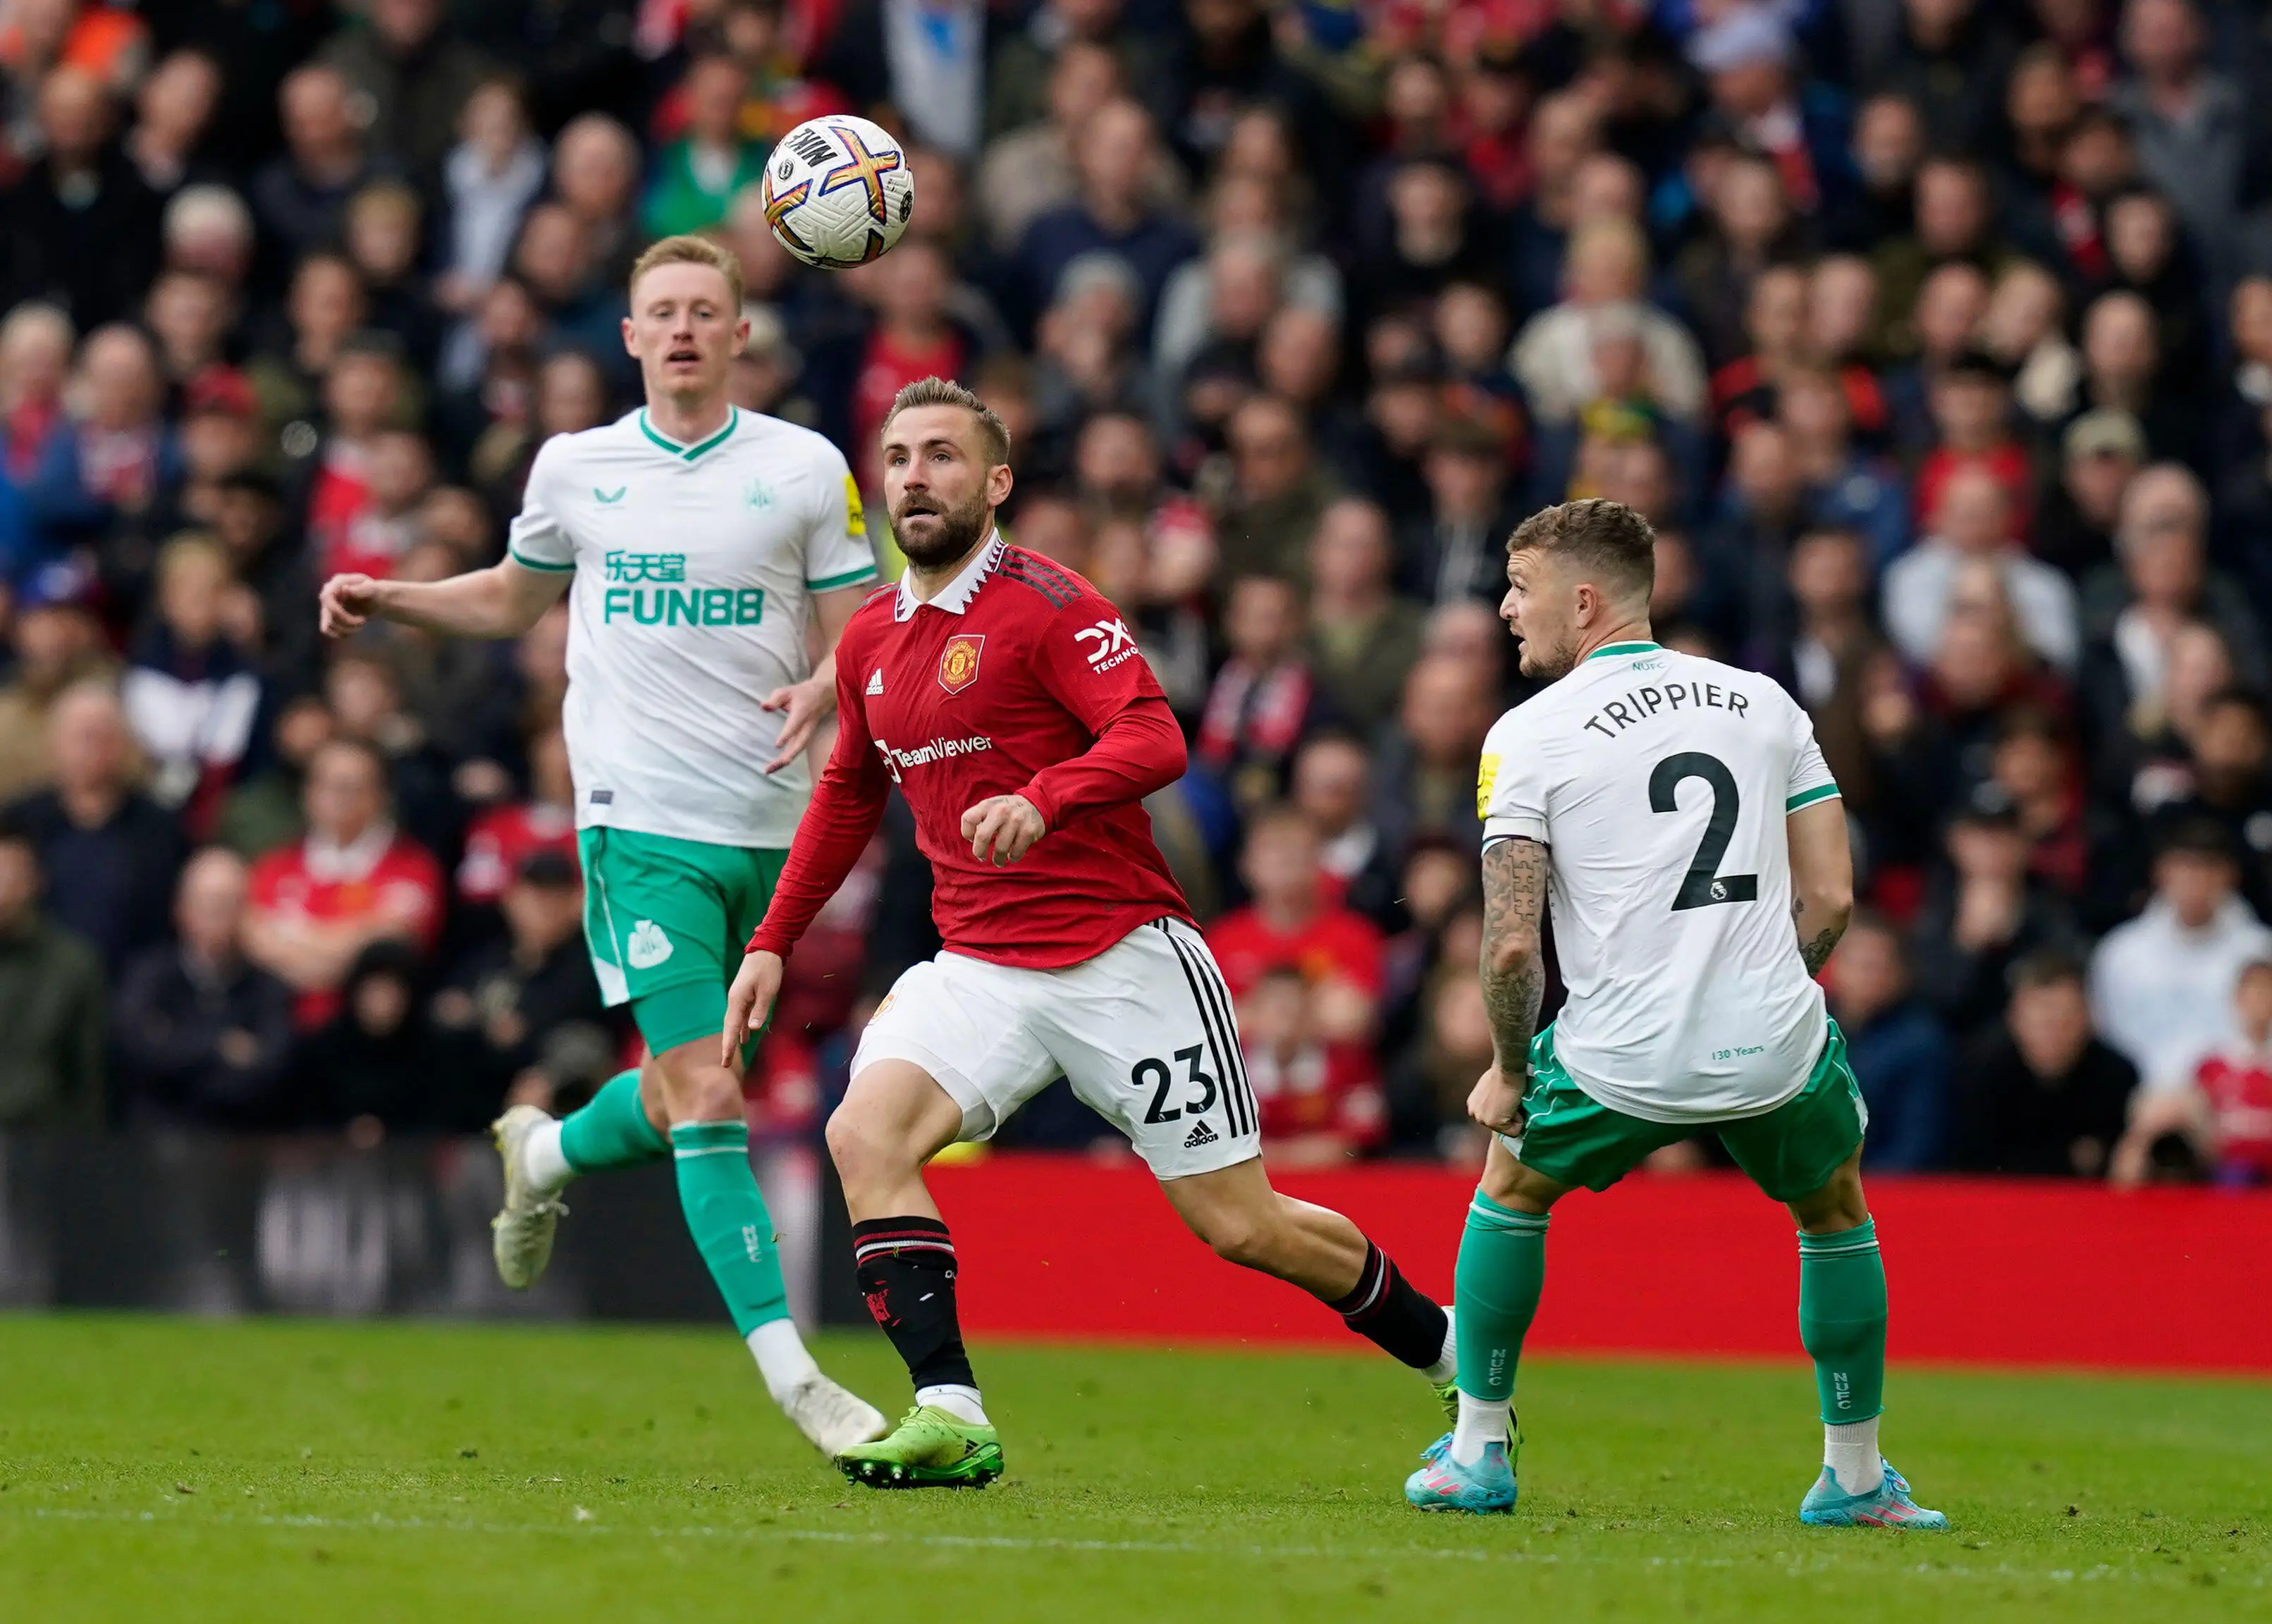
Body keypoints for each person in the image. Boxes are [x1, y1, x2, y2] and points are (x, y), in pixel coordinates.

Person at [725, 377, 1459, 1489]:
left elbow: (1155, 735)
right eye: (900, 458)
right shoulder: (872, 635)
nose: (916, 477)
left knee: (1241, 1225)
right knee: (862, 1137)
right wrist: (773, 938)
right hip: (977, 964)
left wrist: (1048, 795)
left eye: (943, 457)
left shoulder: (1048, 601)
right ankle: (951, 1410)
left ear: (996, 482)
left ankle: (1454, 1350)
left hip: (1121, 958)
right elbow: (845, 794)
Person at [317, 234, 884, 1457]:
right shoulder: (577, 466)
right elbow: (519, 597)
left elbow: (860, 631)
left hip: (774, 832)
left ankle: (550, 1148)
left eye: (704, 311)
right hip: (637, 821)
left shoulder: (804, 469)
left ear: (741, 334)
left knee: (689, 1090)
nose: (681, 329)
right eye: (659, 312)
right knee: (713, 1090)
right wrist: (394, 596)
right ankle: (797, 1381)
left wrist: (827, 687)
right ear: (629, 337)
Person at [1411, 498, 1944, 1527]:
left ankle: (1477, 1453)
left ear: (1580, 598)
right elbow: (1830, 897)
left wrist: (1510, 1070)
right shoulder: (1765, 703)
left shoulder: (1526, 735)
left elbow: (1513, 939)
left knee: (1510, 1189)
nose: (1504, 611)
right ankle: (1855, 1476)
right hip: (1773, 1046)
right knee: (1832, 1211)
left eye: (1517, 590)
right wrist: (1757, 985)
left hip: (1619, 1052)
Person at [111, 847, 295, 1127]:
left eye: (228, 904)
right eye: (207, 903)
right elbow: (136, 1053)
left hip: (241, 1141)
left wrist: (177, 1042)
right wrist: (222, 1046)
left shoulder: (269, 987)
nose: (216, 915)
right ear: (181, 908)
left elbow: (272, 1070)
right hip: (156, 1141)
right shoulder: (148, 977)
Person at [0, 813, 106, 1128]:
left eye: (11, 876)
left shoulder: (73, 964)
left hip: (40, 1141)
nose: (2, 891)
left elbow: (88, 1077)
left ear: (36, 880)